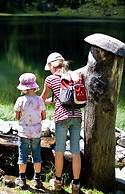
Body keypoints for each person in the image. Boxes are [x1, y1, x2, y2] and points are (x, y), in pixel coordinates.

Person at [40, 52, 82, 193]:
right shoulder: (75, 76)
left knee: (59, 151)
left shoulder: (50, 79)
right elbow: (63, 96)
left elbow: (42, 98)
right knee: (75, 151)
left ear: (51, 65)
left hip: (61, 118)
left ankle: (58, 182)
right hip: (76, 116)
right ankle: (76, 185)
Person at [14, 73, 46, 189]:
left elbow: (17, 116)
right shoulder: (39, 100)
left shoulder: (20, 100)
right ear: (34, 86)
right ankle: (37, 179)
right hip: (36, 132)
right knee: (36, 155)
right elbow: (44, 116)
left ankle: (22, 179)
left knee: (22, 156)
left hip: (23, 132)